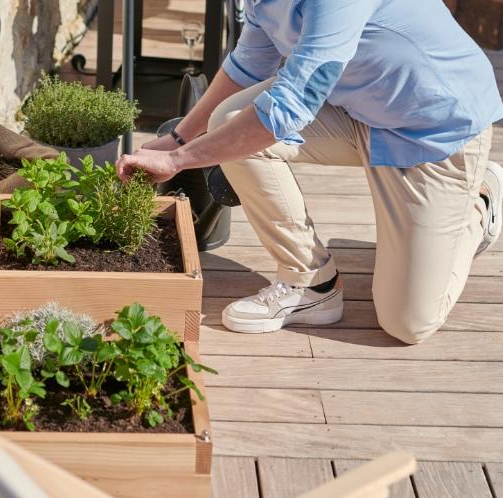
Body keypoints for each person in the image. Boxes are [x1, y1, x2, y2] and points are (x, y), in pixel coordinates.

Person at [115, 0, 503, 345]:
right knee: (228, 122)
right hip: (359, 110)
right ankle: (310, 282)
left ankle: (479, 201)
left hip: (434, 134)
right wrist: (179, 140)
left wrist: (177, 162)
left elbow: (289, 108)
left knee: (407, 323)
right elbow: (249, 64)